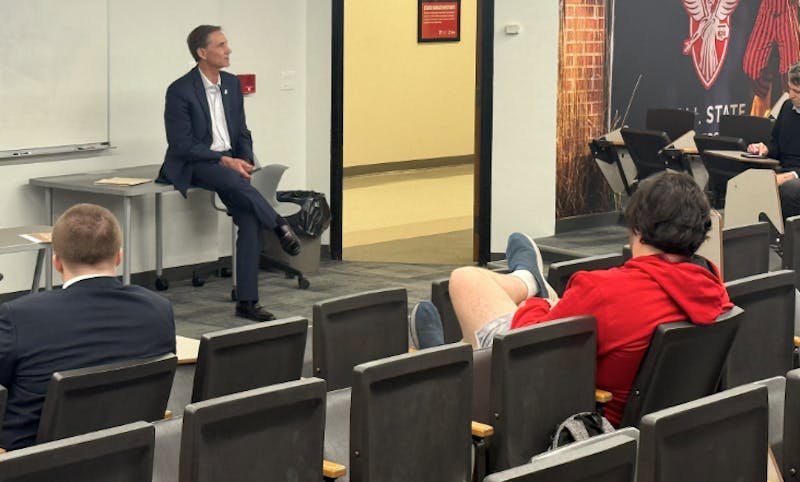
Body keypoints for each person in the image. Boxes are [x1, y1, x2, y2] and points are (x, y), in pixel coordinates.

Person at [409, 172, 732, 427]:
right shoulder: (712, 288)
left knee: (465, 280)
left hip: (560, 410)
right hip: (647, 429)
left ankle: (448, 366)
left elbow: (525, 343)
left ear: (637, 228)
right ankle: (452, 356)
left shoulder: (605, 291)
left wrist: (539, 305)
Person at [0, 204, 176, 450]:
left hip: (31, 465)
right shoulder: (158, 309)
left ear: (57, 262)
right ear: (119, 256)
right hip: (126, 457)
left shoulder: (19, 316)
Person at [159, 25, 300, 322]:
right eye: (221, 45)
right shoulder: (180, 90)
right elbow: (182, 145)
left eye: (227, 44)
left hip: (230, 165)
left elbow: (242, 131)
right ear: (202, 52)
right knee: (230, 178)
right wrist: (225, 161)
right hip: (196, 163)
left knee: (248, 219)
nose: (228, 50)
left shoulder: (232, 85)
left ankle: (247, 302)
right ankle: (278, 223)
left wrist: (244, 160)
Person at [747, 62, 800, 218]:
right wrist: (765, 149)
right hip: (782, 170)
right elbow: (776, 144)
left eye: (797, 91)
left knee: (789, 189)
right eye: (790, 89)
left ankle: (786, 240)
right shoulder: (786, 107)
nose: (791, 95)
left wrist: (792, 175)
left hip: (794, 176)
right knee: (747, 178)